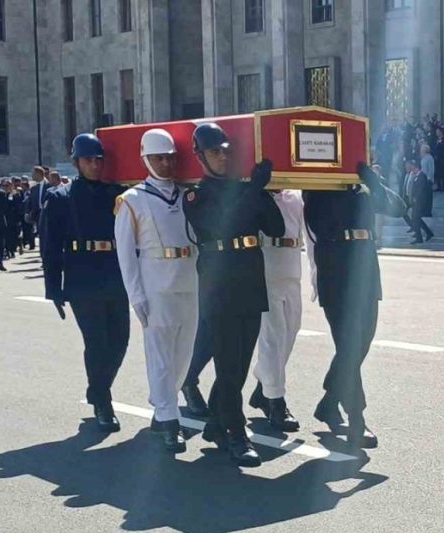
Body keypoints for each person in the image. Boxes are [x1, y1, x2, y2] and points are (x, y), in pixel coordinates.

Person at [182, 122, 285, 468]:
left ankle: (215, 422)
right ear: (200, 156)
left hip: (250, 282)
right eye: (215, 152)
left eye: (226, 151)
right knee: (228, 365)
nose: (222, 157)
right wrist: (254, 188)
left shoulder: (244, 189)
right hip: (219, 286)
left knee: (239, 364)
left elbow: (276, 228)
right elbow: (225, 225)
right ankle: (236, 435)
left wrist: (262, 191)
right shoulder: (196, 196)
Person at [303, 164, 402, 448]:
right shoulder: (319, 185)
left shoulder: (364, 185)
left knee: (362, 343)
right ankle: (356, 418)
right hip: (336, 270)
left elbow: (399, 208)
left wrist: (373, 182)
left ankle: (329, 400)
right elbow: (320, 224)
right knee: (348, 346)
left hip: (366, 270)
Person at [113, 128, 199, 453]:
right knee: (161, 355)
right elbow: (125, 255)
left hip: (189, 279)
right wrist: (136, 295)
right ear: (145, 158)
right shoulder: (132, 200)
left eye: (170, 157)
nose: (165, 163)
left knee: (183, 354)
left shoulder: (187, 194)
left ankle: (164, 404)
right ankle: (169, 420)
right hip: (156, 283)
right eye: (158, 157)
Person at [40, 134, 129, 433]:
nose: (94, 164)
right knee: (97, 342)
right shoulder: (60, 197)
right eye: (88, 159)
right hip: (82, 275)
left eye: (98, 159)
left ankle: (96, 388)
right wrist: (54, 289)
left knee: (120, 340)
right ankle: (103, 401)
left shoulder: (116, 193)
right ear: (76, 162)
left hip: (114, 271)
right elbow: (50, 245)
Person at [248, 188, 304, 433]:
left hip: (291, 267)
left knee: (291, 333)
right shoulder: (255, 194)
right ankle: (276, 402)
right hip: (265, 268)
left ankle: (264, 382)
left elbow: (308, 234)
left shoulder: (296, 196)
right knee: (273, 336)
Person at [404, 160, 434, 244]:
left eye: (412, 166)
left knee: (415, 219)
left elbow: (421, 191)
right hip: (415, 202)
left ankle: (419, 237)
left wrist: (416, 199)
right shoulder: (416, 176)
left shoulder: (421, 176)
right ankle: (428, 233)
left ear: (415, 167)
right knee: (416, 219)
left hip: (419, 202)